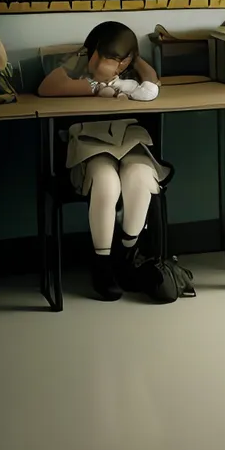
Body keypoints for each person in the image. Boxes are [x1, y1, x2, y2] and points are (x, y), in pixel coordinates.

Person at [38, 22, 171, 301]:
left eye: (121, 60)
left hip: (129, 138)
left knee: (140, 175)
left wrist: (137, 59)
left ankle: (128, 255)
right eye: (109, 58)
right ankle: (102, 263)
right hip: (90, 142)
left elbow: (152, 84)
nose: (115, 66)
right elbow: (47, 87)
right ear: (92, 52)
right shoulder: (79, 70)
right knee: (106, 182)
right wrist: (94, 84)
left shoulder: (129, 73)